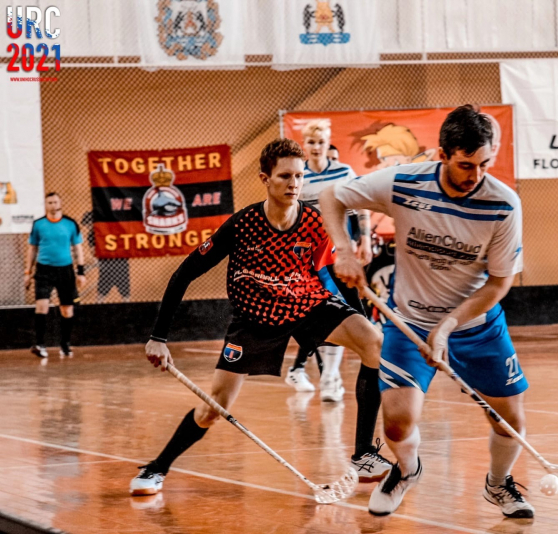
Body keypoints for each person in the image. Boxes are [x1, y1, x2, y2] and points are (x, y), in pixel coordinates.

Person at [129, 139, 391, 497]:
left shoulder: (315, 222)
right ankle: (157, 468)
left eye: (299, 176)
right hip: (255, 317)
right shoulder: (243, 225)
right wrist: (159, 337)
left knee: (374, 343)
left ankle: (362, 455)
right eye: (285, 176)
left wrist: (359, 318)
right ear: (265, 179)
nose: (294, 184)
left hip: (306, 303)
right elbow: (184, 274)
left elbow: (337, 277)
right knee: (214, 408)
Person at [320, 105, 534, 518]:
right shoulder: (404, 183)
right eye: (465, 165)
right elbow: (333, 196)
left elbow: (499, 283)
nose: (475, 176)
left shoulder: (503, 204)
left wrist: (448, 326)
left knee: (510, 422)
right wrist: (343, 251)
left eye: (485, 164)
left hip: (476, 326)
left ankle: (498, 483)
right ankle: (406, 470)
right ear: (442, 155)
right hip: (409, 322)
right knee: (397, 423)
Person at [284, 119, 373, 402]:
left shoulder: (344, 172)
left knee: (346, 311)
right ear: (304, 145)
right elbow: (288, 214)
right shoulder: (298, 176)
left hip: (339, 255)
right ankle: (327, 377)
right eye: (311, 142)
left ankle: (330, 376)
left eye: (321, 142)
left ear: (328, 143)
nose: (316, 147)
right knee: (323, 313)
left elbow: (362, 206)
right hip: (309, 259)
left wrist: (365, 240)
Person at [24, 192, 85, 358]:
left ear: (60, 203)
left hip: (65, 270)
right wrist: (27, 272)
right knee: (41, 306)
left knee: (67, 310)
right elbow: (32, 249)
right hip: (44, 270)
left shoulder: (70, 224)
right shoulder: (38, 224)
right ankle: (40, 345)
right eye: (49, 202)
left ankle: (65, 344)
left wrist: (80, 272)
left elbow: (78, 248)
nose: (53, 205)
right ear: (46, 205)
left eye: (55, 202)